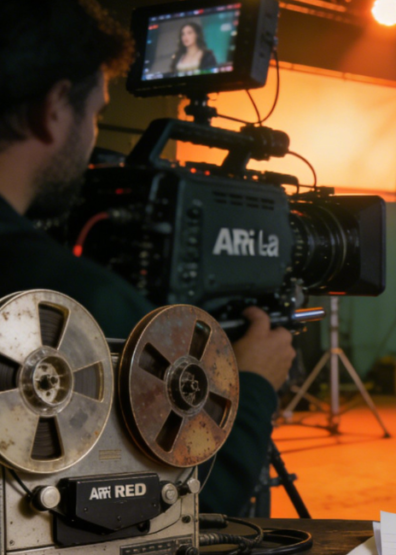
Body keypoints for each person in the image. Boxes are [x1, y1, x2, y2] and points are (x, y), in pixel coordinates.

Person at [0, 0, 293, 517]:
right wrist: (251, 385)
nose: (93, 135)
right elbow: (189, 495)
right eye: (96, 114)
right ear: (54, 109)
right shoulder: (81, 302)